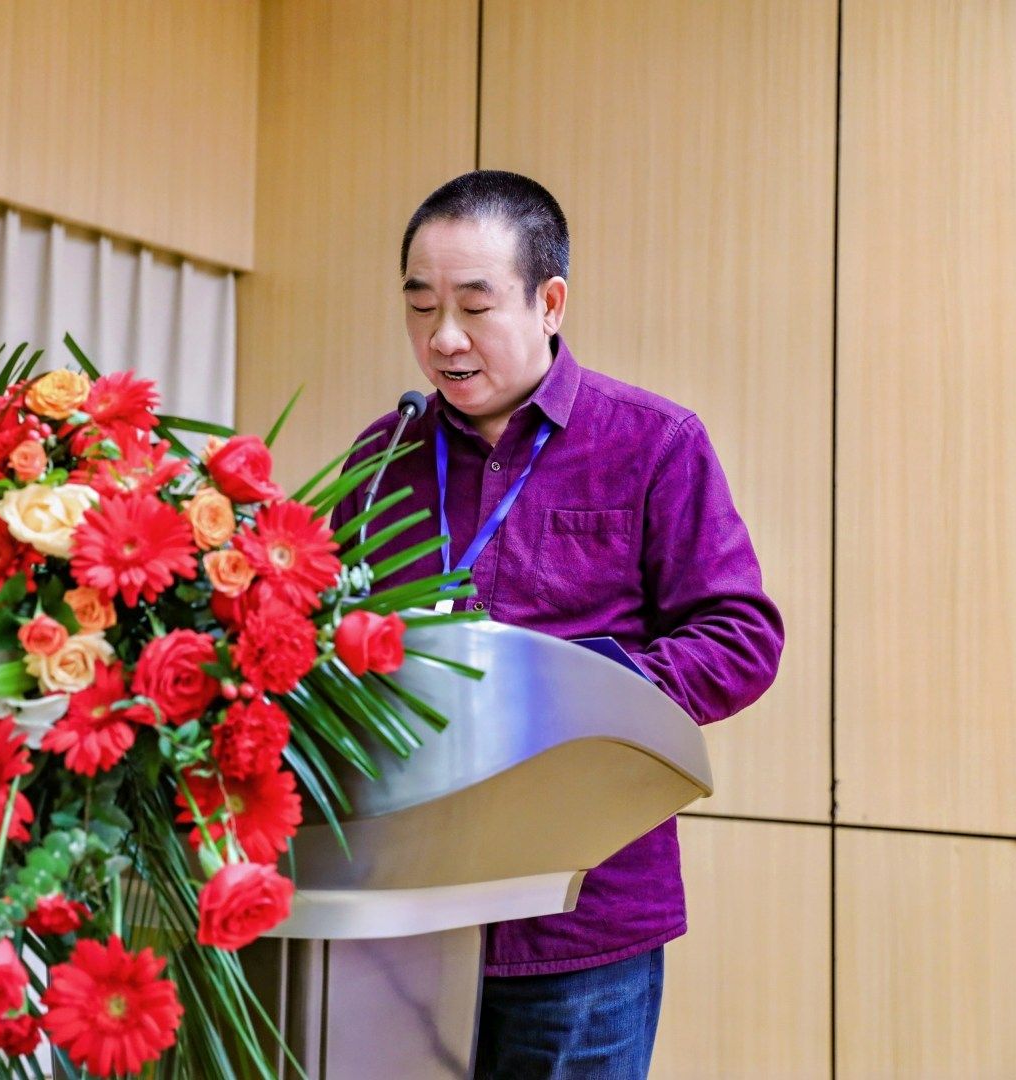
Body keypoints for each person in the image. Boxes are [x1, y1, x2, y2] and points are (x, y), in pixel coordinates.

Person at [330, 170, 785, 1079]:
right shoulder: (384, 455)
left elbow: (740, 635)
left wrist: (573, 695)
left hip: (582, 917)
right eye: (420, 306)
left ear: (549, 302)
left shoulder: (652, 443)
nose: (443, 338)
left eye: (474, 306)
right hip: (405, 909)